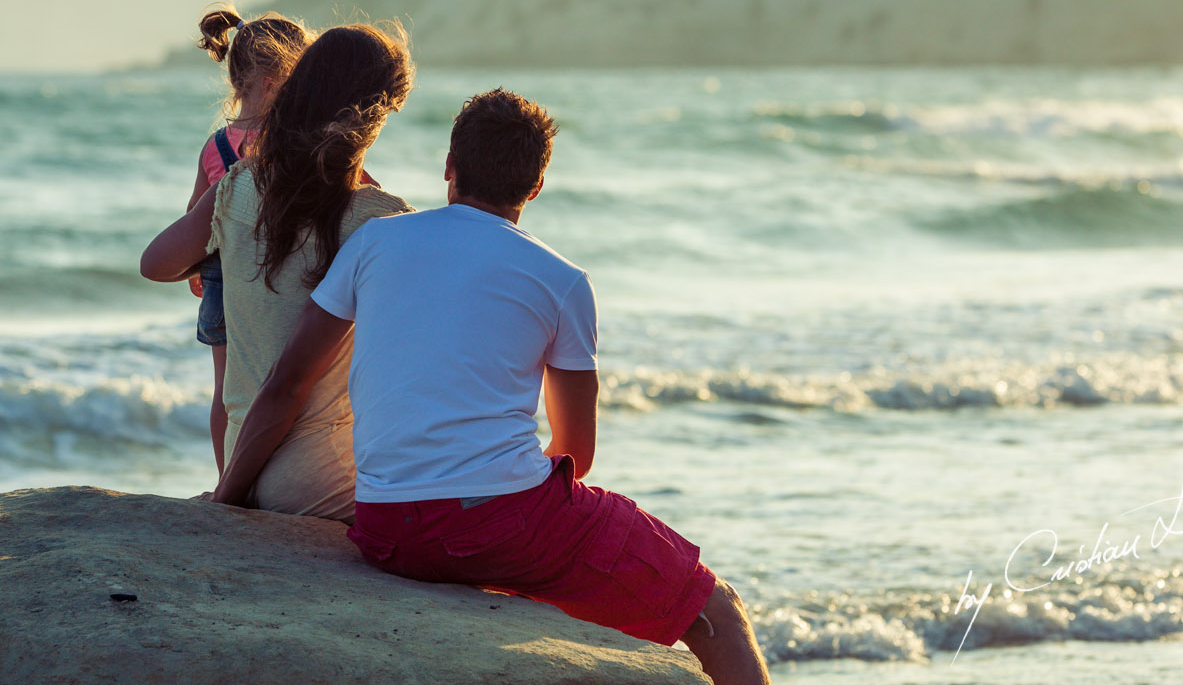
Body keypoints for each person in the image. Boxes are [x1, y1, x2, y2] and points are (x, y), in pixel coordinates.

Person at [209, 89, 772, 684]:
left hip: (385, 527)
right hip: (501, 525)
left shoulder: (376, 242)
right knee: (717, 613)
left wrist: (226, 501)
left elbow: (286, 383)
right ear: (535, 187)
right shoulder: (562, 280)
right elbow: (575, 452)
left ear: (449, 167)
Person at [141, 23, 416, 525]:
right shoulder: (383, 219)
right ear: (371, 116)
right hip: (322, 482)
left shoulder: (239, 184)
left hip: (242, 463)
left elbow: (155, 263)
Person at [187, 3, 314, 473]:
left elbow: (194, 215)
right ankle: (276, 471)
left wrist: (198, 268)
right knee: (276, 380)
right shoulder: (290, 140)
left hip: (222, 275)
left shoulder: (215, 145)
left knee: (226, 391)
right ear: (270, 82)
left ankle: (226, 479)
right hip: (270, 273)